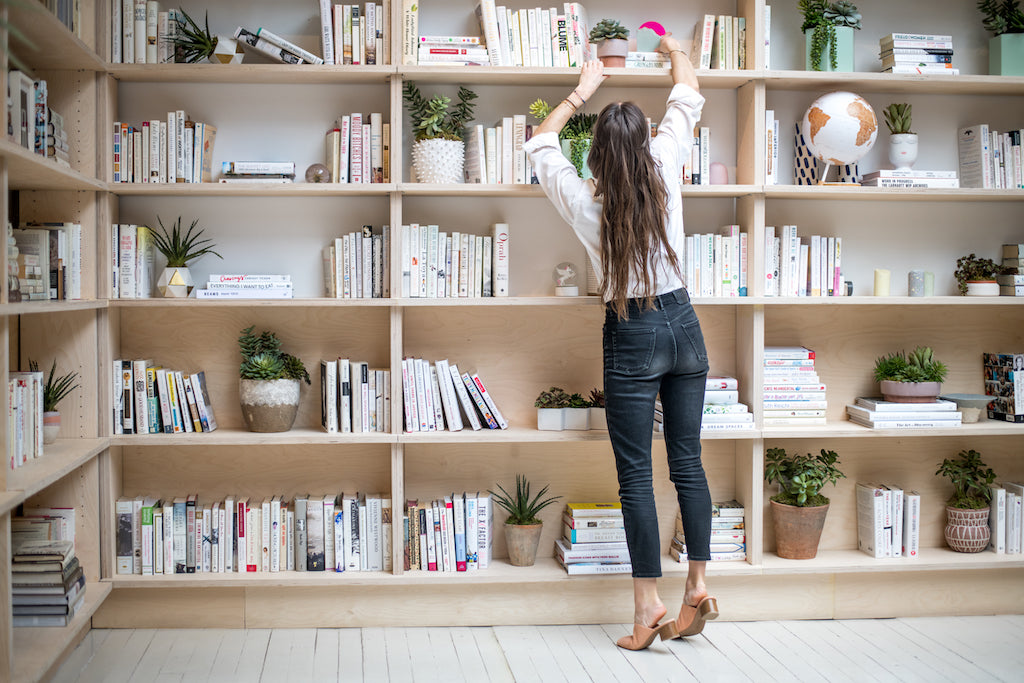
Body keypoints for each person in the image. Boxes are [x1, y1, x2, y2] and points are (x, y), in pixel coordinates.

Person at [522, 34, 718, 651]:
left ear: (601, 156)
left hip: (632, 329)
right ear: (642, 141)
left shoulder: (586, 201)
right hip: (685, 323)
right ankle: (699, 586)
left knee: (636, 475)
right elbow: (687, 94)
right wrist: (676, 52)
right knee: (687, 460)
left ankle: (647, 609)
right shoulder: (664, 164)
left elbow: (539, 143)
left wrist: (583, 90)